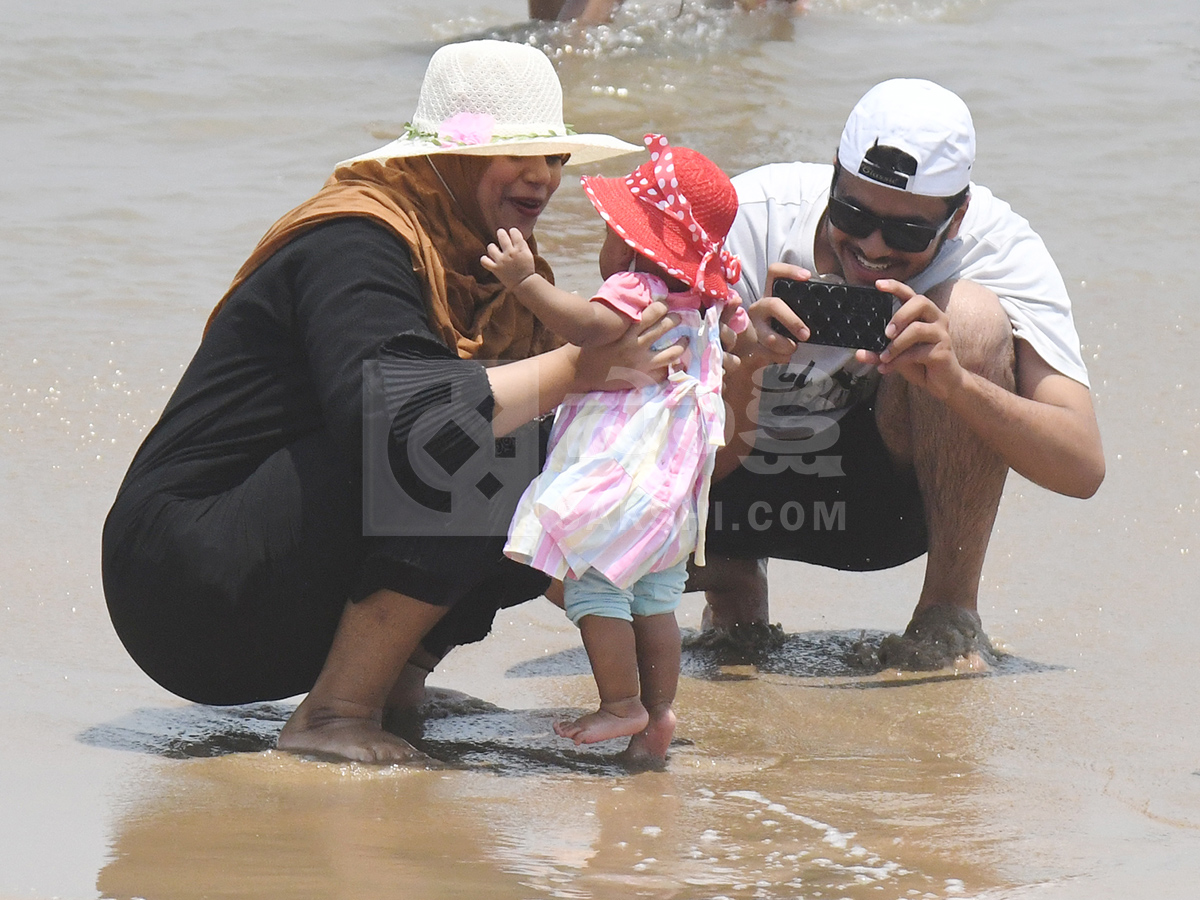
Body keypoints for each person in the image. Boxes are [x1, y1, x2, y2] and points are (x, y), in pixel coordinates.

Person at [99, 40, 681, 765]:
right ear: (443, 157)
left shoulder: (504, 271)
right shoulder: (355, 241)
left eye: (556, 158)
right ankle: (335, 711)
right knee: (487, 441)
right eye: (519, 152)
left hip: (284, 579)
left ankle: (393, 686)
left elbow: (557, 495)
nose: (543, 177)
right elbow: (393, 423)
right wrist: (575, 366)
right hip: (187, 579)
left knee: (565, 453)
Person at [689, 78, 1105, 667]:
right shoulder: (745, 219)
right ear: (832, 176)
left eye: (909, 232)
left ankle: (948, 615)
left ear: (956, 217)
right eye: (852, 215)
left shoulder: (999, 248)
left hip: (886, 504)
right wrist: (742, 364)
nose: (873, 246)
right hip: (737, 491)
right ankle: (733, 598)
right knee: (692, 375)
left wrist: (957, 384)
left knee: (971, 321)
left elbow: (1081, 465)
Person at [483, 135, 748, 763]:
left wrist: (526, 284)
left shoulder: (635, 287)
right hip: (677, 485)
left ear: (632, 243)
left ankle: (620, 703)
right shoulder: (709, 299)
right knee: (655, 600)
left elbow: (590, 328)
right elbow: (736, 342)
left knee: (593, 586)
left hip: (625, 473)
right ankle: (658, 716)